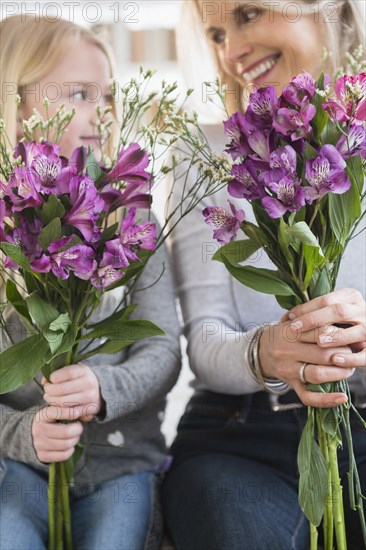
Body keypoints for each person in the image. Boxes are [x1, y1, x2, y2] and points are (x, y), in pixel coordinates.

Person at [163, 1, 366, 549]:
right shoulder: (203, 152)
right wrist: (266, 352)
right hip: (241, 433)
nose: (231, 51)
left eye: (249, 14)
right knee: (226, 516)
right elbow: (205, 337)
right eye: (217, 33)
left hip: (361, 415)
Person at [0, 15, 181, 550]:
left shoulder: (131, 215)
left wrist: (105, 389)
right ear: (15, 102)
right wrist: (21, 434)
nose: (102, 113)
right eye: (79, 93)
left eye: (109, 96)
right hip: (16, 464)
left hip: (122, 464)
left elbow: (163, 346)